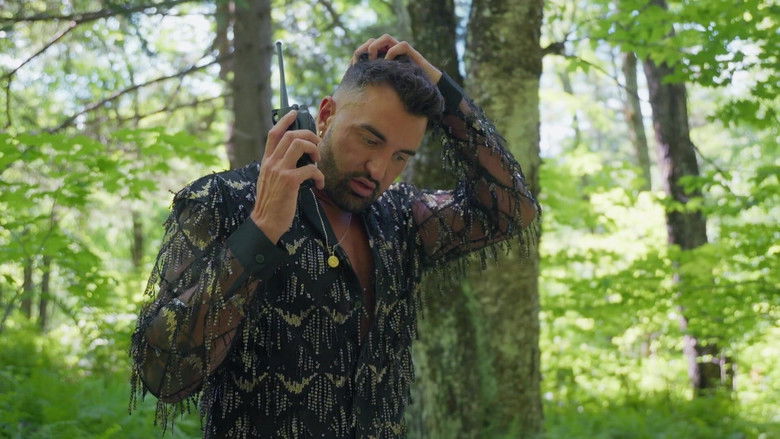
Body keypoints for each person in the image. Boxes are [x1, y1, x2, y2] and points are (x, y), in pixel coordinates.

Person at [130, 34, 540, 438]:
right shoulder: (224, 200)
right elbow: (164, 373)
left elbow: (511, 208)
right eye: (369, 139)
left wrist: (441, 88)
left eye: (400, 156)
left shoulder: (401, 218)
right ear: (325, 115)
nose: (378, 170)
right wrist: (261, 231)